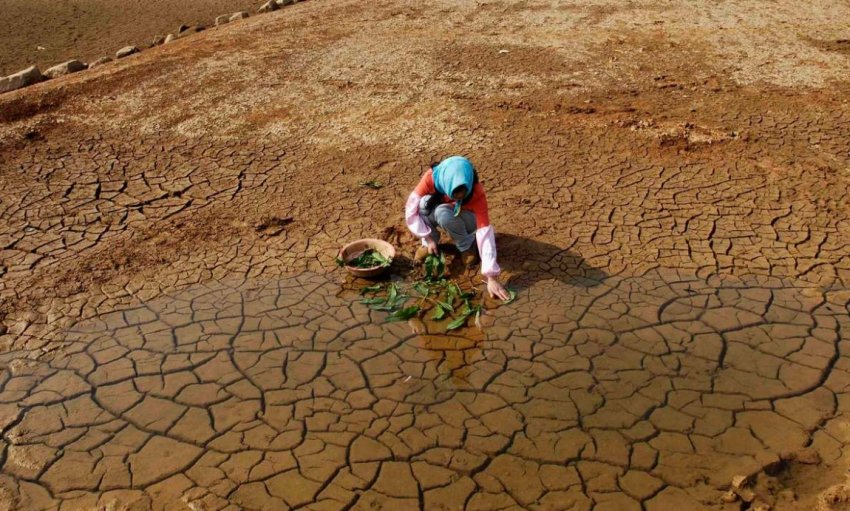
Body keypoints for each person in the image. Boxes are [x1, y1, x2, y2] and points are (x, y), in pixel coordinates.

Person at [404, 156, 509, 300]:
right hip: (446, 212)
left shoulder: (476, 191)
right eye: (454, 196)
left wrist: (491, 277)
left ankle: (466, 245)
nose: (458, 200)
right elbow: (411, 209)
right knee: (422, 204)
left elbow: (484, 232)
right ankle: (431, 242)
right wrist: (427, 238)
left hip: (466, 219)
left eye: (463, 197)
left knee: (442, 212)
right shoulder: (433, 177)